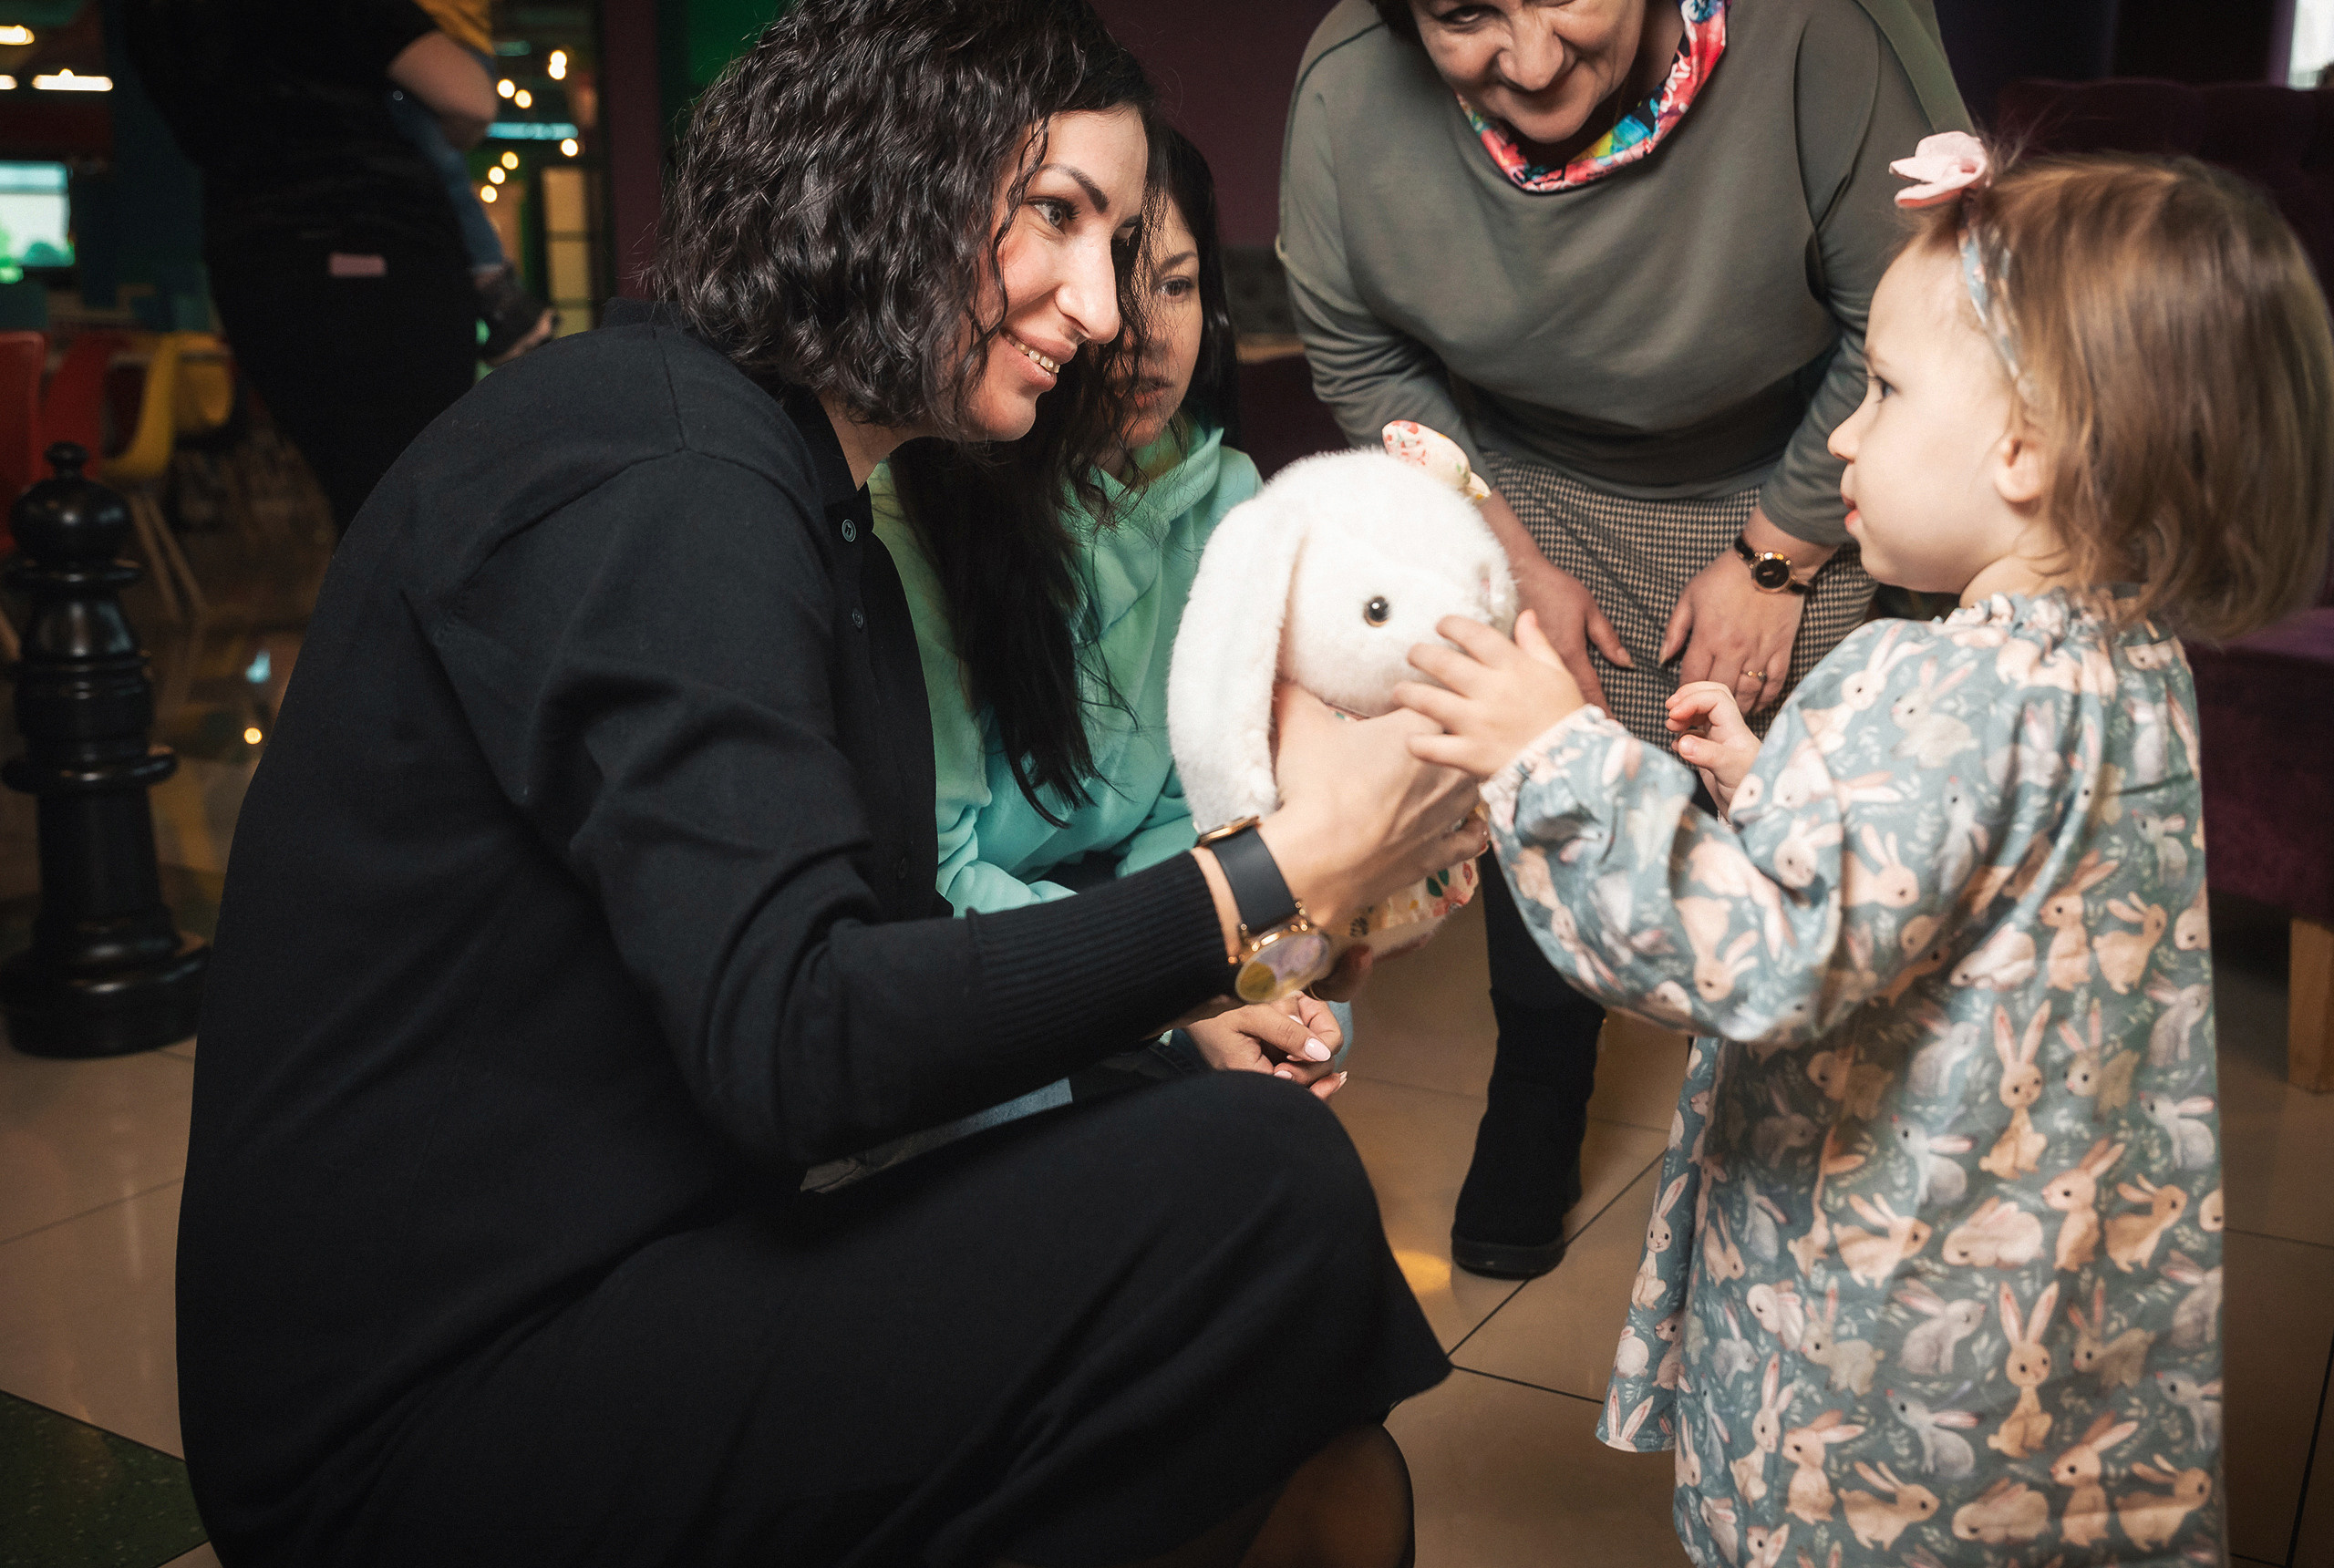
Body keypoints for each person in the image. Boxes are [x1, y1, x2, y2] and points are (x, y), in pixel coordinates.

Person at [172, 4, 1482, 1564]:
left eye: (1126, 244)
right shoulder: (664, 468)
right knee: (1263, 1197)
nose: (1102, 302)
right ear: (887, 171)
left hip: (638, 1254)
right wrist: (1274, 873)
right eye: (1059, 216)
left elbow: (879, 938)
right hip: (421, 1416)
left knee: (1282, 1347)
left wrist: (1175, 1010)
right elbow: (795, 1039)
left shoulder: (799, 488)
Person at [1397, 142, 2329, 1564]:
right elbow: (1961, 887)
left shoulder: (1927, 683)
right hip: (2032, 1337)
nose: (1842, 438)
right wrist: (1785, 783)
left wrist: (1550, 754)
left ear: (2028, 446)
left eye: (1883, 392)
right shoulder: (2127, 669)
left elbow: (1752, 958)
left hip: (1877, 1366)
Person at [1280, 0, 1970, 1280]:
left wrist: (1780, 550)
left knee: (1805, 806)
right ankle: (1540, 1074)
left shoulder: (1822, 37)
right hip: (1517, 474)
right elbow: (1366, 361)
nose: (1530, 64)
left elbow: (1922, 317)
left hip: (1813, 456)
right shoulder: (1343, 92)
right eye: (1464, 14)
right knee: (1541, 747)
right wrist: (1507, 556)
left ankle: (1813, 1121)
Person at [816, 126, 1341, 1189]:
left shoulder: (1230, 498)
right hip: (942, 958)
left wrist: (1229, 986)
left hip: (1105, 933)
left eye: (1181, 286)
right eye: (1113, 279)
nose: (1143, 333)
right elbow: (933, 871)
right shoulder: (914, 505)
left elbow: (1195, 810)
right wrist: (1171, 992)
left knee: (1301, 1036)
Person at [127, 0, 494, 537]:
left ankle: (371, 617)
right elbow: (470, 97)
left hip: (251, 264)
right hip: (378, 244)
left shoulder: (155, 15)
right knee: (415, 503)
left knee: (361, 502)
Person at [387, 0, 558, 363]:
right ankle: (504, 301)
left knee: (443, 176)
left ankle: (505, 301)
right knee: (441, 177)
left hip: (441, 43)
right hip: (449, 44)